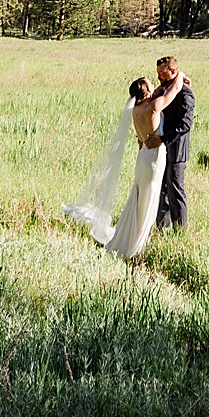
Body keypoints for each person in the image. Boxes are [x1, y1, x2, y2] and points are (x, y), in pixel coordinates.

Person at [62, 70, 187, 262]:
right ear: (146, 93)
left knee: (138, 197)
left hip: (142, 155)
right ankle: (137, 243)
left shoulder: (136, 111)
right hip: (154, 157)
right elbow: (176, 89)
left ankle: (129, 236)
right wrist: (179, 74)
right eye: (151, 85)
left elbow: (141, 132)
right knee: (149, 198)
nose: (155, 86)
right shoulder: (154, 106)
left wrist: (162, 85)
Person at [153, 54, 197, 231]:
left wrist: (163, 139)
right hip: (162, 150)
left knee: (175, 189)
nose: (159, 77)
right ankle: (162, 228)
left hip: (177, 150)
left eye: (162, 74)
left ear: (173, 71)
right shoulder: (165, 90)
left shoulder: (186, 94)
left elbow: (185, 125)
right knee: (163, 189)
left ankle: (180, 230)